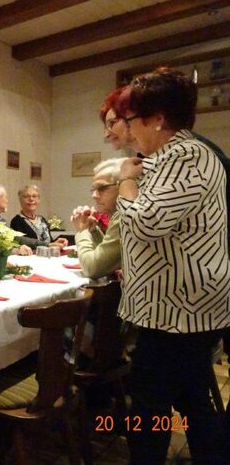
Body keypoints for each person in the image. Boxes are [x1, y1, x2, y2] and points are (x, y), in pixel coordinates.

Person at [115, 67, 230, 463]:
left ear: (158, 119)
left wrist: (126, 181)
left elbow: (146, 223)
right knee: (192, 397)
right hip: (180, 308)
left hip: (178, 310)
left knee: (149, 405)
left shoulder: (185, 155)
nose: (129, 129)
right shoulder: (171, 157)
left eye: (132, 119)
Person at [71, 158, 124, 279]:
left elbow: (93, 268)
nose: (94, 195)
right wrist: (93, 230)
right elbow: (107, 259)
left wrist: (82, 231)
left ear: (123, 186)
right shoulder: (120, 214)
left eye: (102, 187)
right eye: (93, 189)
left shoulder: (124, 216)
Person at [10, 185, 68, 249]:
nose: (31, 199)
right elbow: (21, 243)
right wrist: (50, 245)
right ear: (20, 200)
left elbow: (48, 242)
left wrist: (56, 242)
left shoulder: (42, 219)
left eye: (34, 196)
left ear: (38, 200)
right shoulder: (16, 222)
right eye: (27, 196)